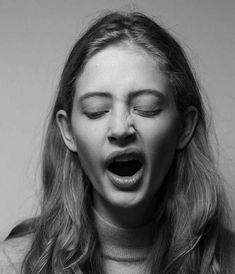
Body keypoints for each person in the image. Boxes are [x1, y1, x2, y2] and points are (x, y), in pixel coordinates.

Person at [0, 11, 234, 274]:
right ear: (68, 131)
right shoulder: (11, 265)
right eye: (96, 110)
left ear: (184, 127)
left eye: (147, 108)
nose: (121, 128)